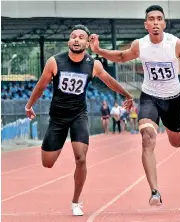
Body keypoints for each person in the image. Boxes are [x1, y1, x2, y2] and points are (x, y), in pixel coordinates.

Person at [89, 5, 180, 205]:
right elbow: (121, 57)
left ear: (164, 23)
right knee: (147, 138)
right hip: (150, 97)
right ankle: (155, 191)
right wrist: (99, 50)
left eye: (159, 19)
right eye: (151, 19)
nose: (155, 22)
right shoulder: (140, 45)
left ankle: (171, 130)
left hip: (173, 99)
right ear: (146, 25)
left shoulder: (176, 44)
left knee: (176, 142)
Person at [24, 25, 133, 216]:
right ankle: (57, 144)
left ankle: (76, 201)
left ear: (87, 42)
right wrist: (29, 105)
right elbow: (41, 86)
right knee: (47, 163)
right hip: (57, 118)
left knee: (81, 158)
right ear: (68, 41)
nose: (76, 40)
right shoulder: (54, 62)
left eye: (81, 37)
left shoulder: (93, 64)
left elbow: (109, 81)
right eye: (73, 36)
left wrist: (127, 95)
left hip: (78, 116)